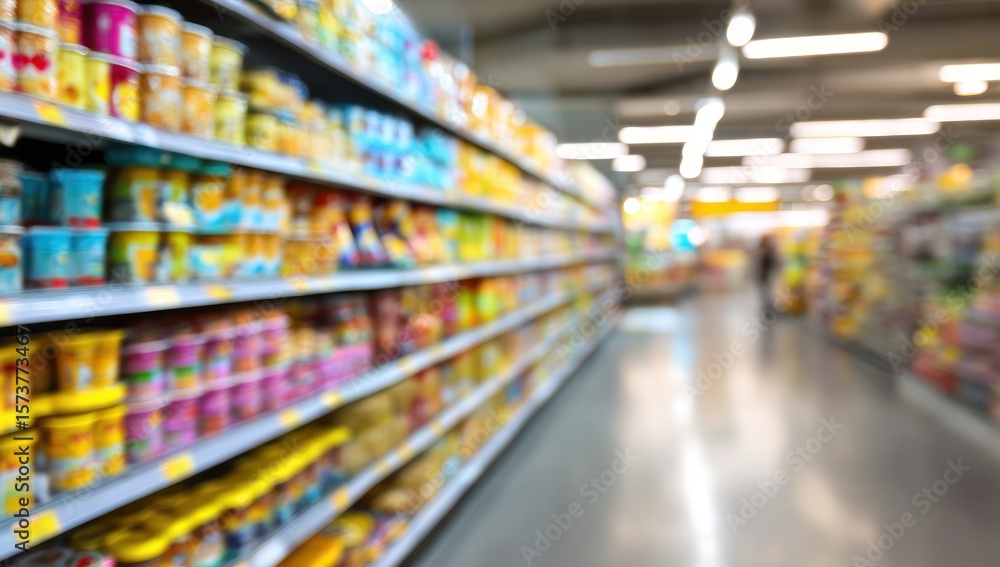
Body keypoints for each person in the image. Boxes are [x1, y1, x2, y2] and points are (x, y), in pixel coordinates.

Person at [756, 234, 778, 311]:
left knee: (767, 293)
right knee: (766, 293)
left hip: (767, 275)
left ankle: (768, 308)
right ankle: (767, 308)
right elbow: (759, 266)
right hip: (764, 276)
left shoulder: (768, 251)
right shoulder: (762, 252)